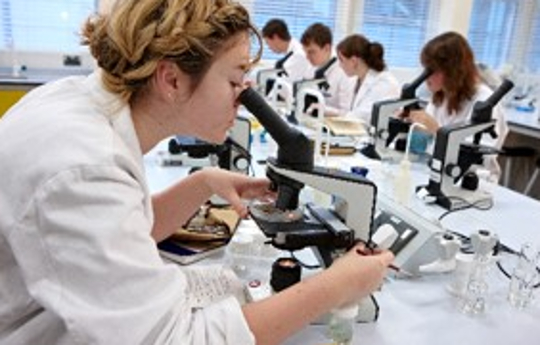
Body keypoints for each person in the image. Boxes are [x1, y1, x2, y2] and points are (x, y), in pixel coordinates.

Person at [0, 1, 394, 344]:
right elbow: (175, 340)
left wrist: (202, 184)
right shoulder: (84, 166)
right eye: (235, 79)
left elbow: (126, 231)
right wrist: (337, 286)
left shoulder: (81, 103)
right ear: (171, 79)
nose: (243, 98)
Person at [404, 31, 509, 178]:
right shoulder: (441, 96)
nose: (426, 77)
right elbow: (427, 144)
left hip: (471, 180)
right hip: (436, 170)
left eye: (431, 70)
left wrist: (437, 130)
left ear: (453, 71)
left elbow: (479, 157)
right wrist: (412, 125)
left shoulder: (484, 101)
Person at [336, 34, 400, 123]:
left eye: (341, 60)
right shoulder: (356, 80)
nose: (340, 65)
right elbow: (349, 112)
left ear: (354, 61)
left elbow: (361, 117)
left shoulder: (384, 83)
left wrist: (332, 114)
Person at [300, 22, 356, 115]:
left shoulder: (344, 71)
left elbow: (347, 113)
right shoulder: (312, 66)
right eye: (306, 52)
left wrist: (324, 110)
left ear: (327, 48)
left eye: (312, 52)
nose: (307, 57)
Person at [261, 18, 312, 84]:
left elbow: (284, 84)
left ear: (275, 37)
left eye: (268, 43)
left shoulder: (298, 55)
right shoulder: (291, 52)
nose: (269, 48)